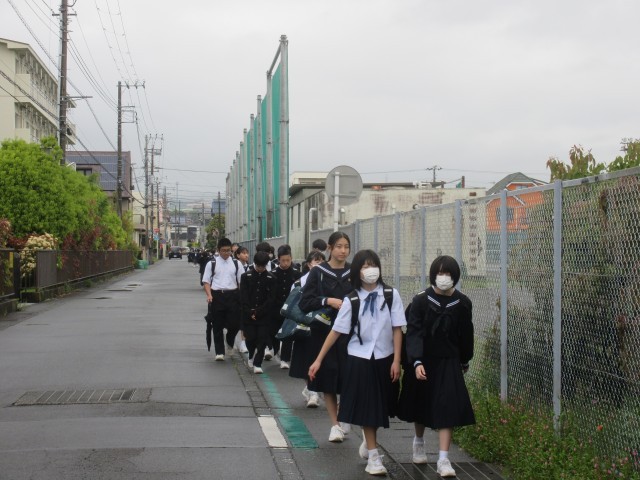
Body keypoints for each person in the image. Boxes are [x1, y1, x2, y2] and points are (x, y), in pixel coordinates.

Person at [309, 249, 405, 476]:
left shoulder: (391, 295)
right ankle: (373, 456)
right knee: (368, 407)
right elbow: (336, 332)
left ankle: (368, 444)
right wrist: (318, 360)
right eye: (365, 266)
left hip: (384, 358)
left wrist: (397, 360)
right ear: (357, 271)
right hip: (359, 358)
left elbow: (397, 329)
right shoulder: (351, 299)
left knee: (380, 408)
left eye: (373, 265)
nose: (370, 270)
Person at [400, 255, 475, 478]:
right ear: (433, 275)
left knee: (447, 407)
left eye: (449, 274)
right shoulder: (421, 301)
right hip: (423, 361)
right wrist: (416, 361)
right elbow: (413, 332)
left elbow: (466, 334)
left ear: (456, 277)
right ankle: (418, 442)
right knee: (421, 404)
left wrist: (464, 359)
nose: (444, 277)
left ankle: (443, 459)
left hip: (449, 361)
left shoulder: (462, 303)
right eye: (440, 273)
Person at [299, 231, 352, 442]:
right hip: (323, 333)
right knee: (328, 379)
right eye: (338, 246)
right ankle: (335, 425)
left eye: (346, 246)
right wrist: (327, 300)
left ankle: (344, 413)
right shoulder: (318, 272)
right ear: (329, 248)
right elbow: (305, 303)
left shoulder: (354, 272)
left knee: (349, 377)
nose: (343, 251)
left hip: (349, 334)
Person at [289, 250, 326, 408]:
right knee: (305, 360)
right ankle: (312, 391)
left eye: (322, 261)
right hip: (304, 326)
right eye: (316, 261)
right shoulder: (299, 283)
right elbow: (292, 305)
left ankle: (314, 389)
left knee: (322, 359)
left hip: (322, 325)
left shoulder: (328, 280)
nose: (319, 265)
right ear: (309, 264)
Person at [202, 238, 243, 360]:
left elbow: (241, 281)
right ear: (218, 250)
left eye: (228, 250)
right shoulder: (212, 263)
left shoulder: (236, 263)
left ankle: (230, 341)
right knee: (217, 325)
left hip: (233, 295)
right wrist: (209, 295)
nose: (226, 253)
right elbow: (206, 281)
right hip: (217, 295)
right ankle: (219, 352)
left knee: (235, 324)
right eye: (223, 250)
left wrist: (241, 296)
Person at [240, 251, 276, 374]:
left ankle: (258, 363)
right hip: (248, 314)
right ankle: (251, 354)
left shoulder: (271, 278)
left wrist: (258, 311)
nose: (260, 268)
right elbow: (243, 296)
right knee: (250, 338)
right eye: (258, 266)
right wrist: (249, 311)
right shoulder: (246, 276)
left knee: (262, 339)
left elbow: (271, 299)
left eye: (263, 266)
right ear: (255, 263)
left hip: (263, 315)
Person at [271, 245, 302, 369]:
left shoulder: (296, 273)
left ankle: (285, 359)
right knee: (274, 332)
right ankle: (275, 349)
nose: (285, 263)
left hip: (290, 309)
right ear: (278, 259)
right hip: (275, 308)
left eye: (288, 260)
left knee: (288, 334)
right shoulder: (273, 274)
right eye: (283, 260)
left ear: (291, 259)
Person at [233, 246, 250, 353]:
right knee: (234, 321)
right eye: (243, 253)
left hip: (246, 297)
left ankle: (244, 342)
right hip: (235, 296)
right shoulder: (233, 266)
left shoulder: (250, 267)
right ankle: (233, 340)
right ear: (238, 255)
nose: (246, 255)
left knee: (244, 320)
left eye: (247, 253)